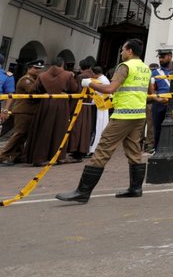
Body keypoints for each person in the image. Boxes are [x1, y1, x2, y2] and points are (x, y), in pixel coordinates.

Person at [56, 38, 154, 203]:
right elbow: (150, 92)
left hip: (123, 114)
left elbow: (109, 89)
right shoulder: (145, 68)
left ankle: (83, 191)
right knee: (134, 151)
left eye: (123, 49)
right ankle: (135, 188)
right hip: (138, 115)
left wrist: (90, 84)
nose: (121, 52)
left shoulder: (125, 66)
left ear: (129, 51)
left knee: (103, 150)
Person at [24, 57, 78, 166]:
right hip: (61, 104)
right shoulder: (67, 75)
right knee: (59, 130)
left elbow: (32, 91)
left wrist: (42, 95)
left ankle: (38, 157)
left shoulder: (42, 75)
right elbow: (75, 88)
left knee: (43, 129)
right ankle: (58, 157)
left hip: (45, 103)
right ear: (62, 65)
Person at [0, 60, 44, 165]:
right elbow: (33, 91)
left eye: (39, 69)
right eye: (36, 68)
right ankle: (3, 154)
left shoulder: (34, 80)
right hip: (23, 111)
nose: (38, 71)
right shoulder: (26, 80)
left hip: (29, 111)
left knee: (23, 135)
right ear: (29, 68)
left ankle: (17, 156)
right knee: (19, 134)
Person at [66, 58, 96, 162]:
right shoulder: (93, 76)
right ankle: (83, 149)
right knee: (86, 129)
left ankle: (76, 150)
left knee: (77, 129)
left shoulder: (81, 77)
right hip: (88, 106)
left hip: (80, 105)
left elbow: (76, 91)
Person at [82, 66, 111, 151]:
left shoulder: (100, 81)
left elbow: (97, 95)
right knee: (100, 128)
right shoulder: (105, 79)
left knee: (96, 128)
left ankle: (92, 148)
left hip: (99, 107)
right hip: (103, 107)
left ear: (94, 73)